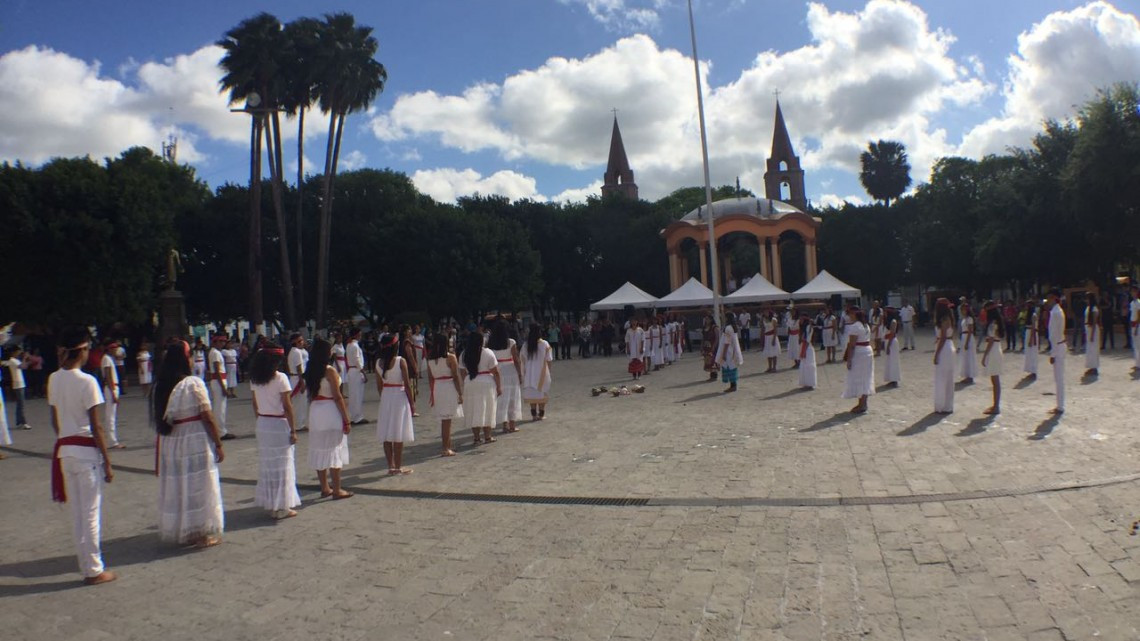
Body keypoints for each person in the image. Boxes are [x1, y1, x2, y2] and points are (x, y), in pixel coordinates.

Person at [49, 327, 116, 585]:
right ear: (83, 350)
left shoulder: (54, 378)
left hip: (65, 450)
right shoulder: (88, 381)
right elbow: (97, 426)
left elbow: (55, 420)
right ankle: (94, 568)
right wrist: (107, 461)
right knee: (90, 512)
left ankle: (86, 563)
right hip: (86, 452)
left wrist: (64, 438)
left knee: (78, 513)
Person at [153, 341, 225, 547]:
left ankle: (183, 528)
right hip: (194, 439)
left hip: (172, 440)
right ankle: (199, 532)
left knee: (180, 484)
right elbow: (207, 415)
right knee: (198, 484)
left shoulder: (162, 385)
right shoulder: (193, 383)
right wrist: (218, 442)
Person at [248, 344, 301, 520]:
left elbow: (254, 404)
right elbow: (287, 406)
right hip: (278, 423)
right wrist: (293, 429)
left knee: (268, 465)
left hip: (263, 422)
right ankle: (282, 506)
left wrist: (260, 419)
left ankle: (272, 503)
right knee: (283, 465)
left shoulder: (255, 378)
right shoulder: (280, 378)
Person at [304, 338, 353, 498]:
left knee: (319, 447)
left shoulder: (310, 369)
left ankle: (324, 487)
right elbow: (337, 397)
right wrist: (346, 418)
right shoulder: (329, 370)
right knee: (334, 448)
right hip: (330, 410)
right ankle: (337, 489)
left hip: (316, 410)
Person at [459, 332, 501, 446]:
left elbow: (462, 372)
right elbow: (495, 371)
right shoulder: (487, 352)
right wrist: (499, 386)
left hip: (470, 383)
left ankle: (476, 438)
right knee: (487, 408)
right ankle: (488, 436)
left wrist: (467, 382)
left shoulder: (464, 354)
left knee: (473, 409)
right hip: (486, 382)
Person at [427, 332, 463, 456]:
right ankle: (446, 447)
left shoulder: (430, 360)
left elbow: (430, 378)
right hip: (448, 387)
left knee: (444, 419)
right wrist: (460, 392)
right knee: (447, 420)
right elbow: (455, 376)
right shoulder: (450, 357)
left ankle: (447, 445)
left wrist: (432, 392)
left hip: (437, 387)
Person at [488, 320, 522, 434]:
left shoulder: (490, 343)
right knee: (513, 397)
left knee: (502, 398)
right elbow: (516, 359)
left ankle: (504, 425)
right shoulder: (511, 342)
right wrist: (520, 374)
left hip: (497, 369)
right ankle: (512, 424)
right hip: (510, 370)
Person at [841, 307, 874, 413]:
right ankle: (863, 402)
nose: (849, 316)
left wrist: (849, 359)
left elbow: (852, 345)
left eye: (850, 314)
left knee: (859, 376)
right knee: (866, 376)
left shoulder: (855, 326)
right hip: (867, 351)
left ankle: (862, 404)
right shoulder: (865, 325)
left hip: (860, 353)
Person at [520, 323, 553, 421]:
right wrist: (549, 372)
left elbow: (522, 358)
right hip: (542, 372)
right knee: (542, 391)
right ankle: (541, 414)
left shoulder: (526, 345)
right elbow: (549, 359)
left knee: (532, 393)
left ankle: (534, 415)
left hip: (530, 373)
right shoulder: (545, 344)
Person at [933, 298, 957, 414]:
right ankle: (947, 404)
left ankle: (942, 404)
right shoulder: (949, 318)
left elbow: (942, 337)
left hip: (944, 348)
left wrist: (937, 354)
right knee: (948, 376)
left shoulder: (944, 319)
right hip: (949, 345)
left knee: (942, 377)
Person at [980, 301, 1004, 415]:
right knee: (995, 379)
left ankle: (996, 406)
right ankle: (995, 404)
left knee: (995, 380)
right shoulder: (997, 322)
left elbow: (990, 341)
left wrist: (985, 355)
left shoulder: (992, 324)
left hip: (993, 350)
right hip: (997, 348)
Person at [99, 341, 123, 448]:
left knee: (111, 414)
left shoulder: (109, 359)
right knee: (110, 415)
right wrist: (113, 391)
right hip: (111, 387)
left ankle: (112, 439)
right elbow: (108, 376)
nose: (115, 350)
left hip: (113, 386)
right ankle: (112, 441)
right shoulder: (106, 359)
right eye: (113, 348)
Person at [1047, 289, 1067, 414]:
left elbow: (1054, 334)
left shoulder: (1055, 312)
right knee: (1059, 377)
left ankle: (1060, 406)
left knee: (1058, 378)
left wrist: (1052, 353)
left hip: (1058, 346)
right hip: (1060, 344)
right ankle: (1060, 404)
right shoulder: (1058, 310)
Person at [207, 335, 230, 440]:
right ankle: (220, 431)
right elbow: (217, 370)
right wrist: (223, 388)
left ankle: (219, 429)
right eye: (220, 341)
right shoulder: (215, 353)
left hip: (218, 380)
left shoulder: (215, 352)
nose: (222, 343)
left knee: (219, 407)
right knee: (220, 408)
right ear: (215, 342)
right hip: (218, 380)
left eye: (224, 341)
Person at [286, 333, 310, 431]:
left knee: (299, 402)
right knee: (299, 403)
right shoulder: (296, 352)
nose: (301, 342)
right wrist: (302, 382)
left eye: (302, 340)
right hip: (298, 378)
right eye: (299, 341)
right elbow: (299, 368)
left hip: (295, 378)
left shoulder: (294, 351)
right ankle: (299, 424)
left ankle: (299, 422)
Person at [715, 313, 744, 393]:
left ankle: (733, 385)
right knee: (732, 366)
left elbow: (727, 342)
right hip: (731, 350)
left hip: (728, 351)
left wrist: (724, 354)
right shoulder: (732, 327)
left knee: (730, 366)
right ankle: (733, 385)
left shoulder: (728, 328)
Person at [345, 328, 368, 424]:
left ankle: (354, 415)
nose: (361, 336)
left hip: (351, 370)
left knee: (353, 394)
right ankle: (357, 416)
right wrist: (363, 372)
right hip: (356, 370)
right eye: (360, 334)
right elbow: (357, 360)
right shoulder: (355, 346)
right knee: (357, 394)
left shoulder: (349, 345)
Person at [4, 346, 30, 430]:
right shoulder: (12, 360)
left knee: (20, 404)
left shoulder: (16, 360)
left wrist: (26, 360)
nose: (19, 353)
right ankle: (23, 422)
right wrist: (25, 358)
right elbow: (22, 366)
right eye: (18, 351)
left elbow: (25, 366)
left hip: (20, 384)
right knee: (21, 405)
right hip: (18, 384)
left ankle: (19, 421)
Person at [957, 305, 978, 385]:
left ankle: (970, 376)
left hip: (967, 337)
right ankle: (966, 375)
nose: (962, 311)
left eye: (964, 310)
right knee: (965, 357)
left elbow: (970, 331)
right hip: (963, 336)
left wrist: (966, 342)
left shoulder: (969, 319)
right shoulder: (964, 319)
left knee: (969, 356)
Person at [797, 315, 817, 389]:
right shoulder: (803, 329)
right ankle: (805, 382)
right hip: (804, 345)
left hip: (808, 347)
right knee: (804, 365)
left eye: (801, 319)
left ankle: (810, 383)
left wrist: (804, 350)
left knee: (809, 365)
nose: (800, 321)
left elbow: (808, 339)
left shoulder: (809, 327)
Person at [882, 308, 901, 387]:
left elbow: (892, 334)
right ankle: (891, 378)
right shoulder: (888, 322)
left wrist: (888, 346)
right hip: (888, 340)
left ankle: (895, 379)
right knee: (889, 361)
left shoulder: (893, 321)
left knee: (893, 360)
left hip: (892, 342)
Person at [1084, 294, 1100, 377]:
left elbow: (1094, 322)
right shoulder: (1088, 308)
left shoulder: (1094, 309)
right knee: (1090, 349)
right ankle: (1091, 366)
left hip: (1093, 330)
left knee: (1093, 349)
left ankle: (1095, 367)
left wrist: (1092, 334)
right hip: (1088, 328)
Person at [1023, 301, 1040, 380]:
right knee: (1029, 352)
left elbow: (1033, 327)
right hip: (1028, 332)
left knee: (1033, 352)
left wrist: (1031, 339)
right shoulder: (1029, 315)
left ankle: (1034, 370)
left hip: (1031, 333)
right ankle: (1031, 369)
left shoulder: (1033, 315)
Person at [701, 317, 719, 381]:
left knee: (713, 360)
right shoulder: (705, 328)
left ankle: (714, 376)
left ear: (711, 320)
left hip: (713, 345)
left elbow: (717, 338)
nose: (706, 320)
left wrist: (714, 347)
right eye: (706, 319)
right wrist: (702, 347)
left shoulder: (715, 327)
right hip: (706, 346)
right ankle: (711, 375)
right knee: (708, 360)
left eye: (708, 319)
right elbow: (703, 338)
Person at [1130, 286, 1140, 371]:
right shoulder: (1132, 303)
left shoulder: (1138, 302)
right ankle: (1137, 363)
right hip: (1132, 324)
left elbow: (1139, 316)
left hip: (1137, 325)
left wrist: (1137, 327)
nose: (1133, 293)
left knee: (1138, 345)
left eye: (1134, 291)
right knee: (1135, 345)